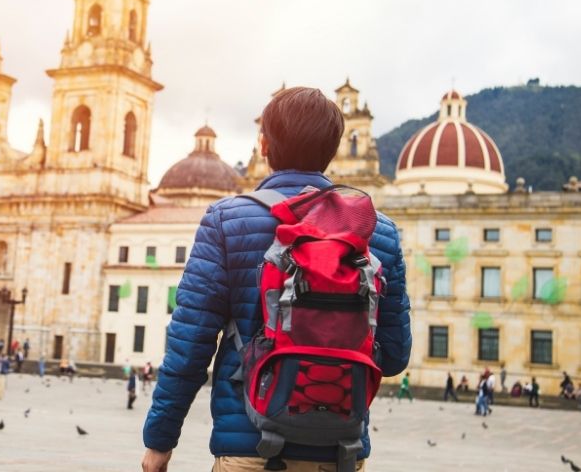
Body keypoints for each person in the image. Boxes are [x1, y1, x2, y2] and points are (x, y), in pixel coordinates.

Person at [142, 87, 411, 472]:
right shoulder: (379, 232)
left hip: (249, 447)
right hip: (341, 452)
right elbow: (396, 355)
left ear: (264, 145)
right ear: (332, 150)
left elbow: (189, 346)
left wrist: (159, 442)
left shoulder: (225, 221)